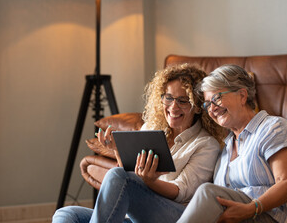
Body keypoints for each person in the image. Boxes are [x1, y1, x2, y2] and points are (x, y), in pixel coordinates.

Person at [53, 63, 225, 223]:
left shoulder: (206, 144)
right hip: (138, 213)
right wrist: (117, 150)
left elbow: (181, 192)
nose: (173, 107)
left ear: (196, 106)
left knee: (117, 175)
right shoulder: (151, 128)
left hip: (176, 214)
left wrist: (150, 181)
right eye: (168, 98)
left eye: (182, 100)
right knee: (66, 214)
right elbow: (129, 175)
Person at [177, 64, 287, 223]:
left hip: (277, 217)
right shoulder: (225, 149)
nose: (212, 109)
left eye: (217, 98)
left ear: (242, 95)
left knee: (208, 192)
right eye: (207, 104)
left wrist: (251, 209)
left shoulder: (273, 128)